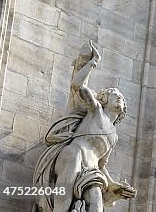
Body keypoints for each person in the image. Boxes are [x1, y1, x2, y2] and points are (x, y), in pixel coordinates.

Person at [33, 43, 136, 212]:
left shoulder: (114, 136)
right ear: (103, 100)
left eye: (121, 98)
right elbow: (77, 86)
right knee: (64, 199)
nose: (119, 98)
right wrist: (92, 62)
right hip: (74, 154)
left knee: (96, 203)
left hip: (93, 171)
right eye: (114, 95)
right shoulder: (96, 111)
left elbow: (102, 165)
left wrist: (113, 185)